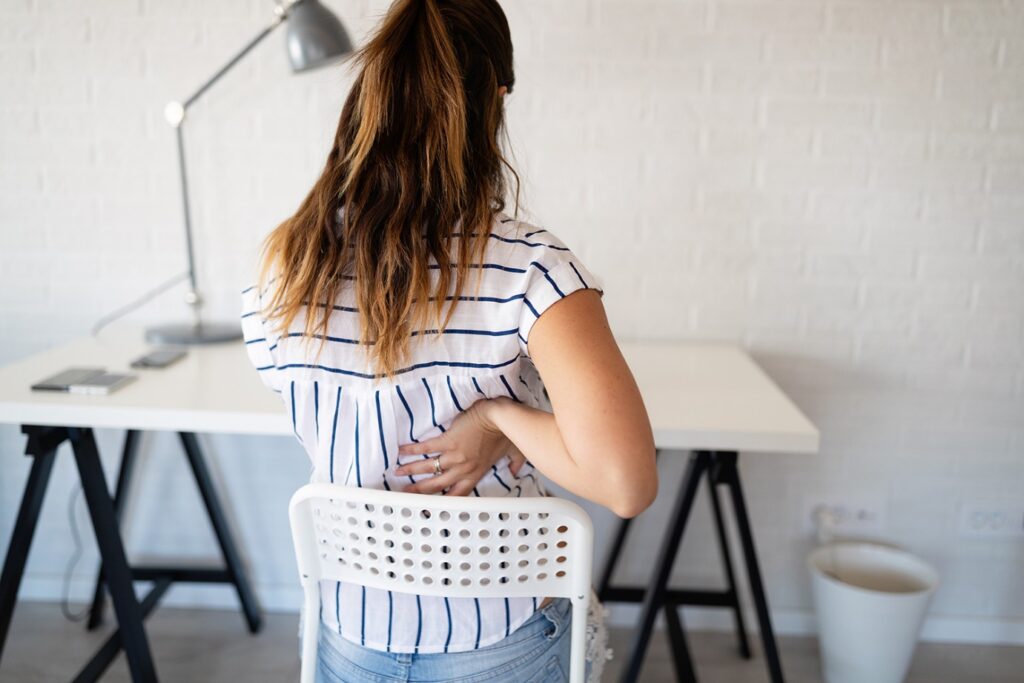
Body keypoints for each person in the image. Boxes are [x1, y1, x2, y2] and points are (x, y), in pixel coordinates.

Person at [240, 0, 657, 680]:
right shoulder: (531, 269)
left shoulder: (285, 268)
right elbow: (626, 481)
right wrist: (500, 416)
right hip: (502, 638)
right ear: (494, 98)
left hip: (349, 640)